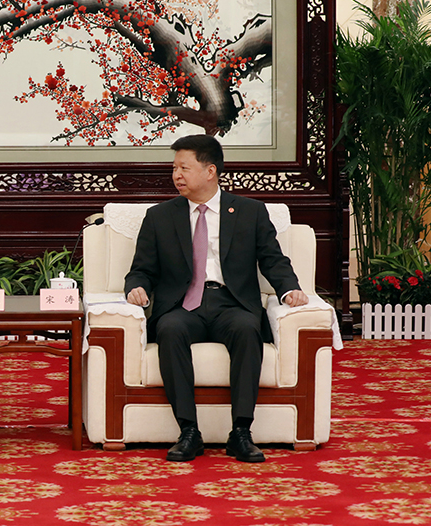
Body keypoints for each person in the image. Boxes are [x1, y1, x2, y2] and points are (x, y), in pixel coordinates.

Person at [124, 135, 308, 463]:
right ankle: (189, 432)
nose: (176, 175)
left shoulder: (250, 211)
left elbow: (272, 259)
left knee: (248, 329)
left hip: (231, 303)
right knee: (169, 329)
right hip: (183, 305)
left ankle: (241, 432)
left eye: (184, 167)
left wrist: (288, 288)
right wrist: (135, 287)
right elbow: (142, 269)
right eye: (174, 168)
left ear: (210, 171)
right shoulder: (160, 216)